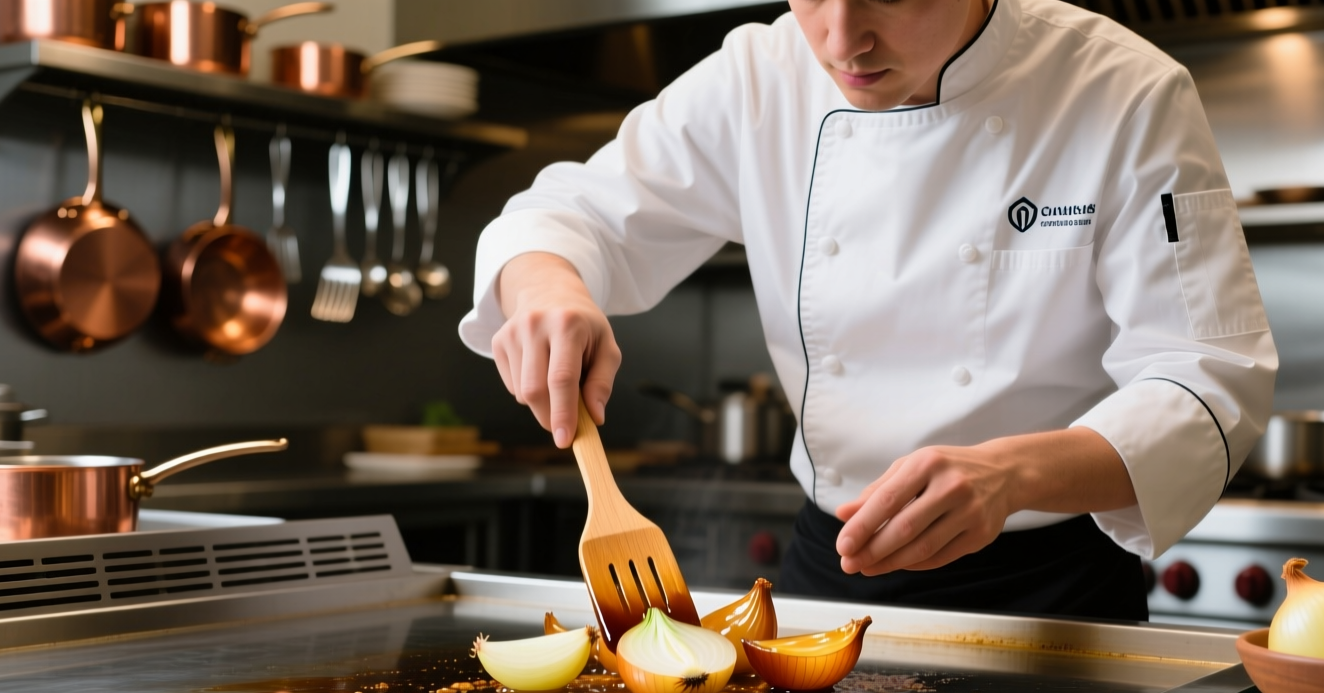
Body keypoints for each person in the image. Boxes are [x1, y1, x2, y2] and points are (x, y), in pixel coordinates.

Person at [460, 0, 1276, 621]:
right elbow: (575, 212)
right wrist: (549, 290)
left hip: (1053, 600)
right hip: (828, 579)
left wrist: (1013, 474)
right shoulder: (760, 76)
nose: (841, 41)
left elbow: (1209, 374)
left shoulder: (1122, 90)